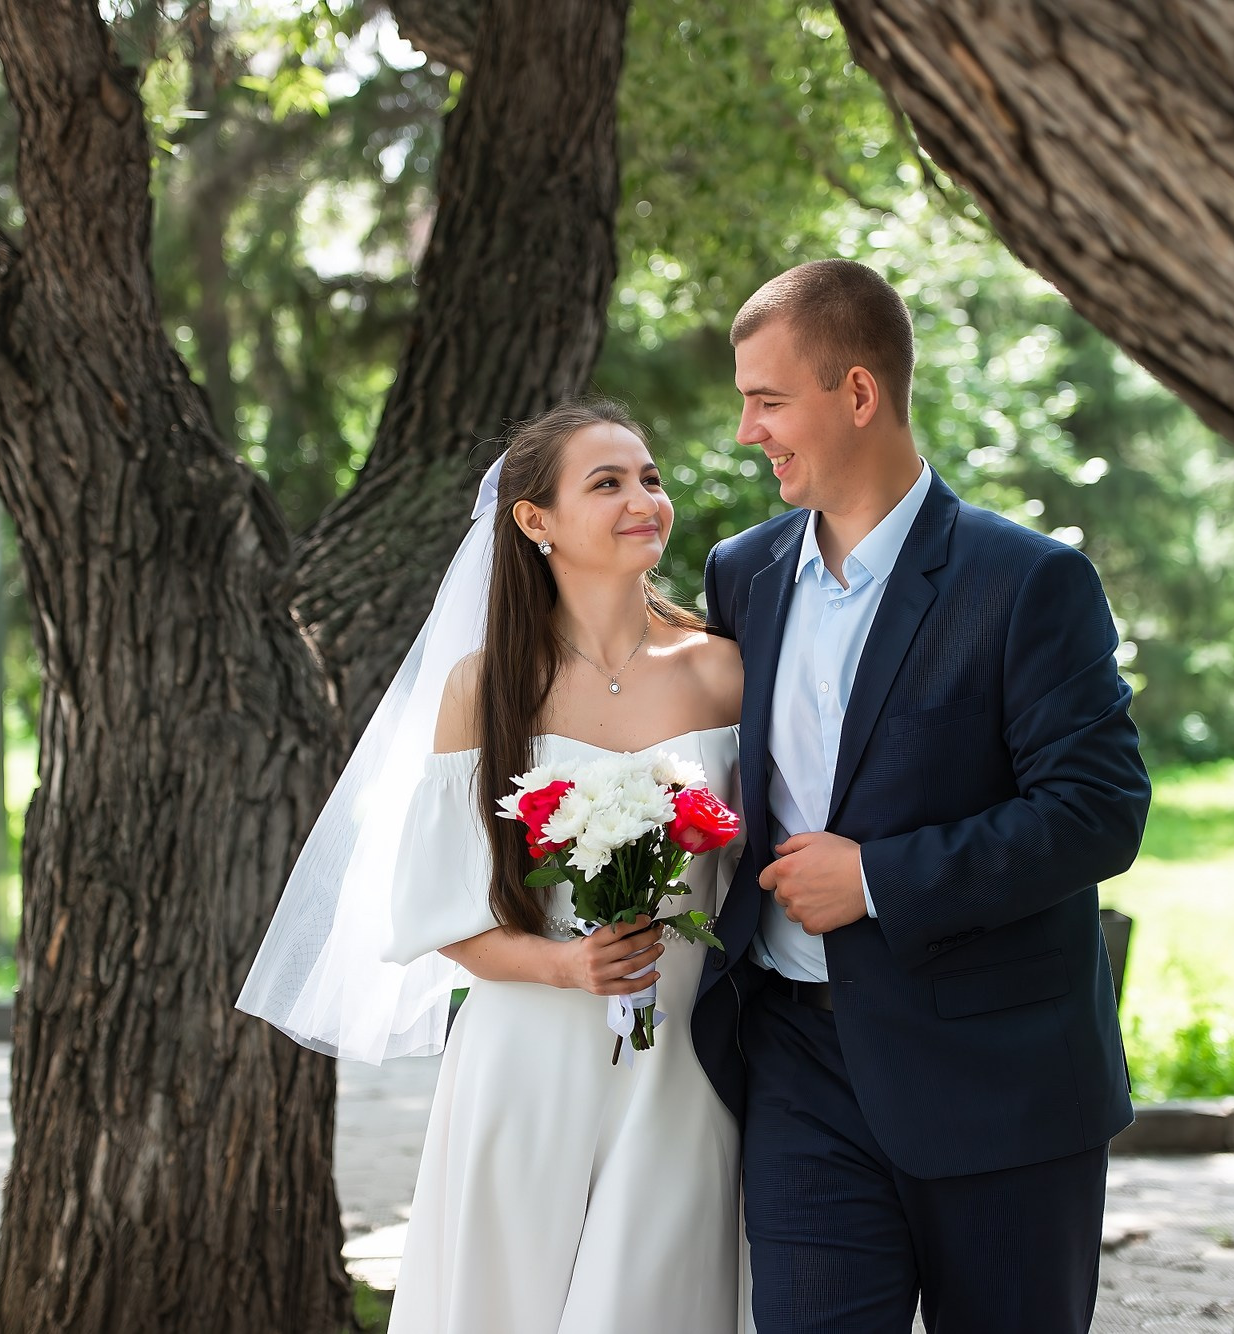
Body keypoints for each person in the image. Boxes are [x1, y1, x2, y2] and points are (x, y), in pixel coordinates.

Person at [690, 260, 1151, 1334]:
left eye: (767, 399)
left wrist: (876, 877)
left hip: (998, 1081)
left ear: (857, 393)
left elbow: (1096, 808)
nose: (747, 428)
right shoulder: (739, 572)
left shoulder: (1027, 580)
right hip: (796, 1068)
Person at [238, 398, 748, 1334]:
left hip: (684, 1055)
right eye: (608, 483)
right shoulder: (487, 687)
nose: (645, 499)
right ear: (533, 520)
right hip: (529, 1055)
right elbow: (443, 913)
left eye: (650, 477)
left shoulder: (724, 671)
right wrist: (566, 964)